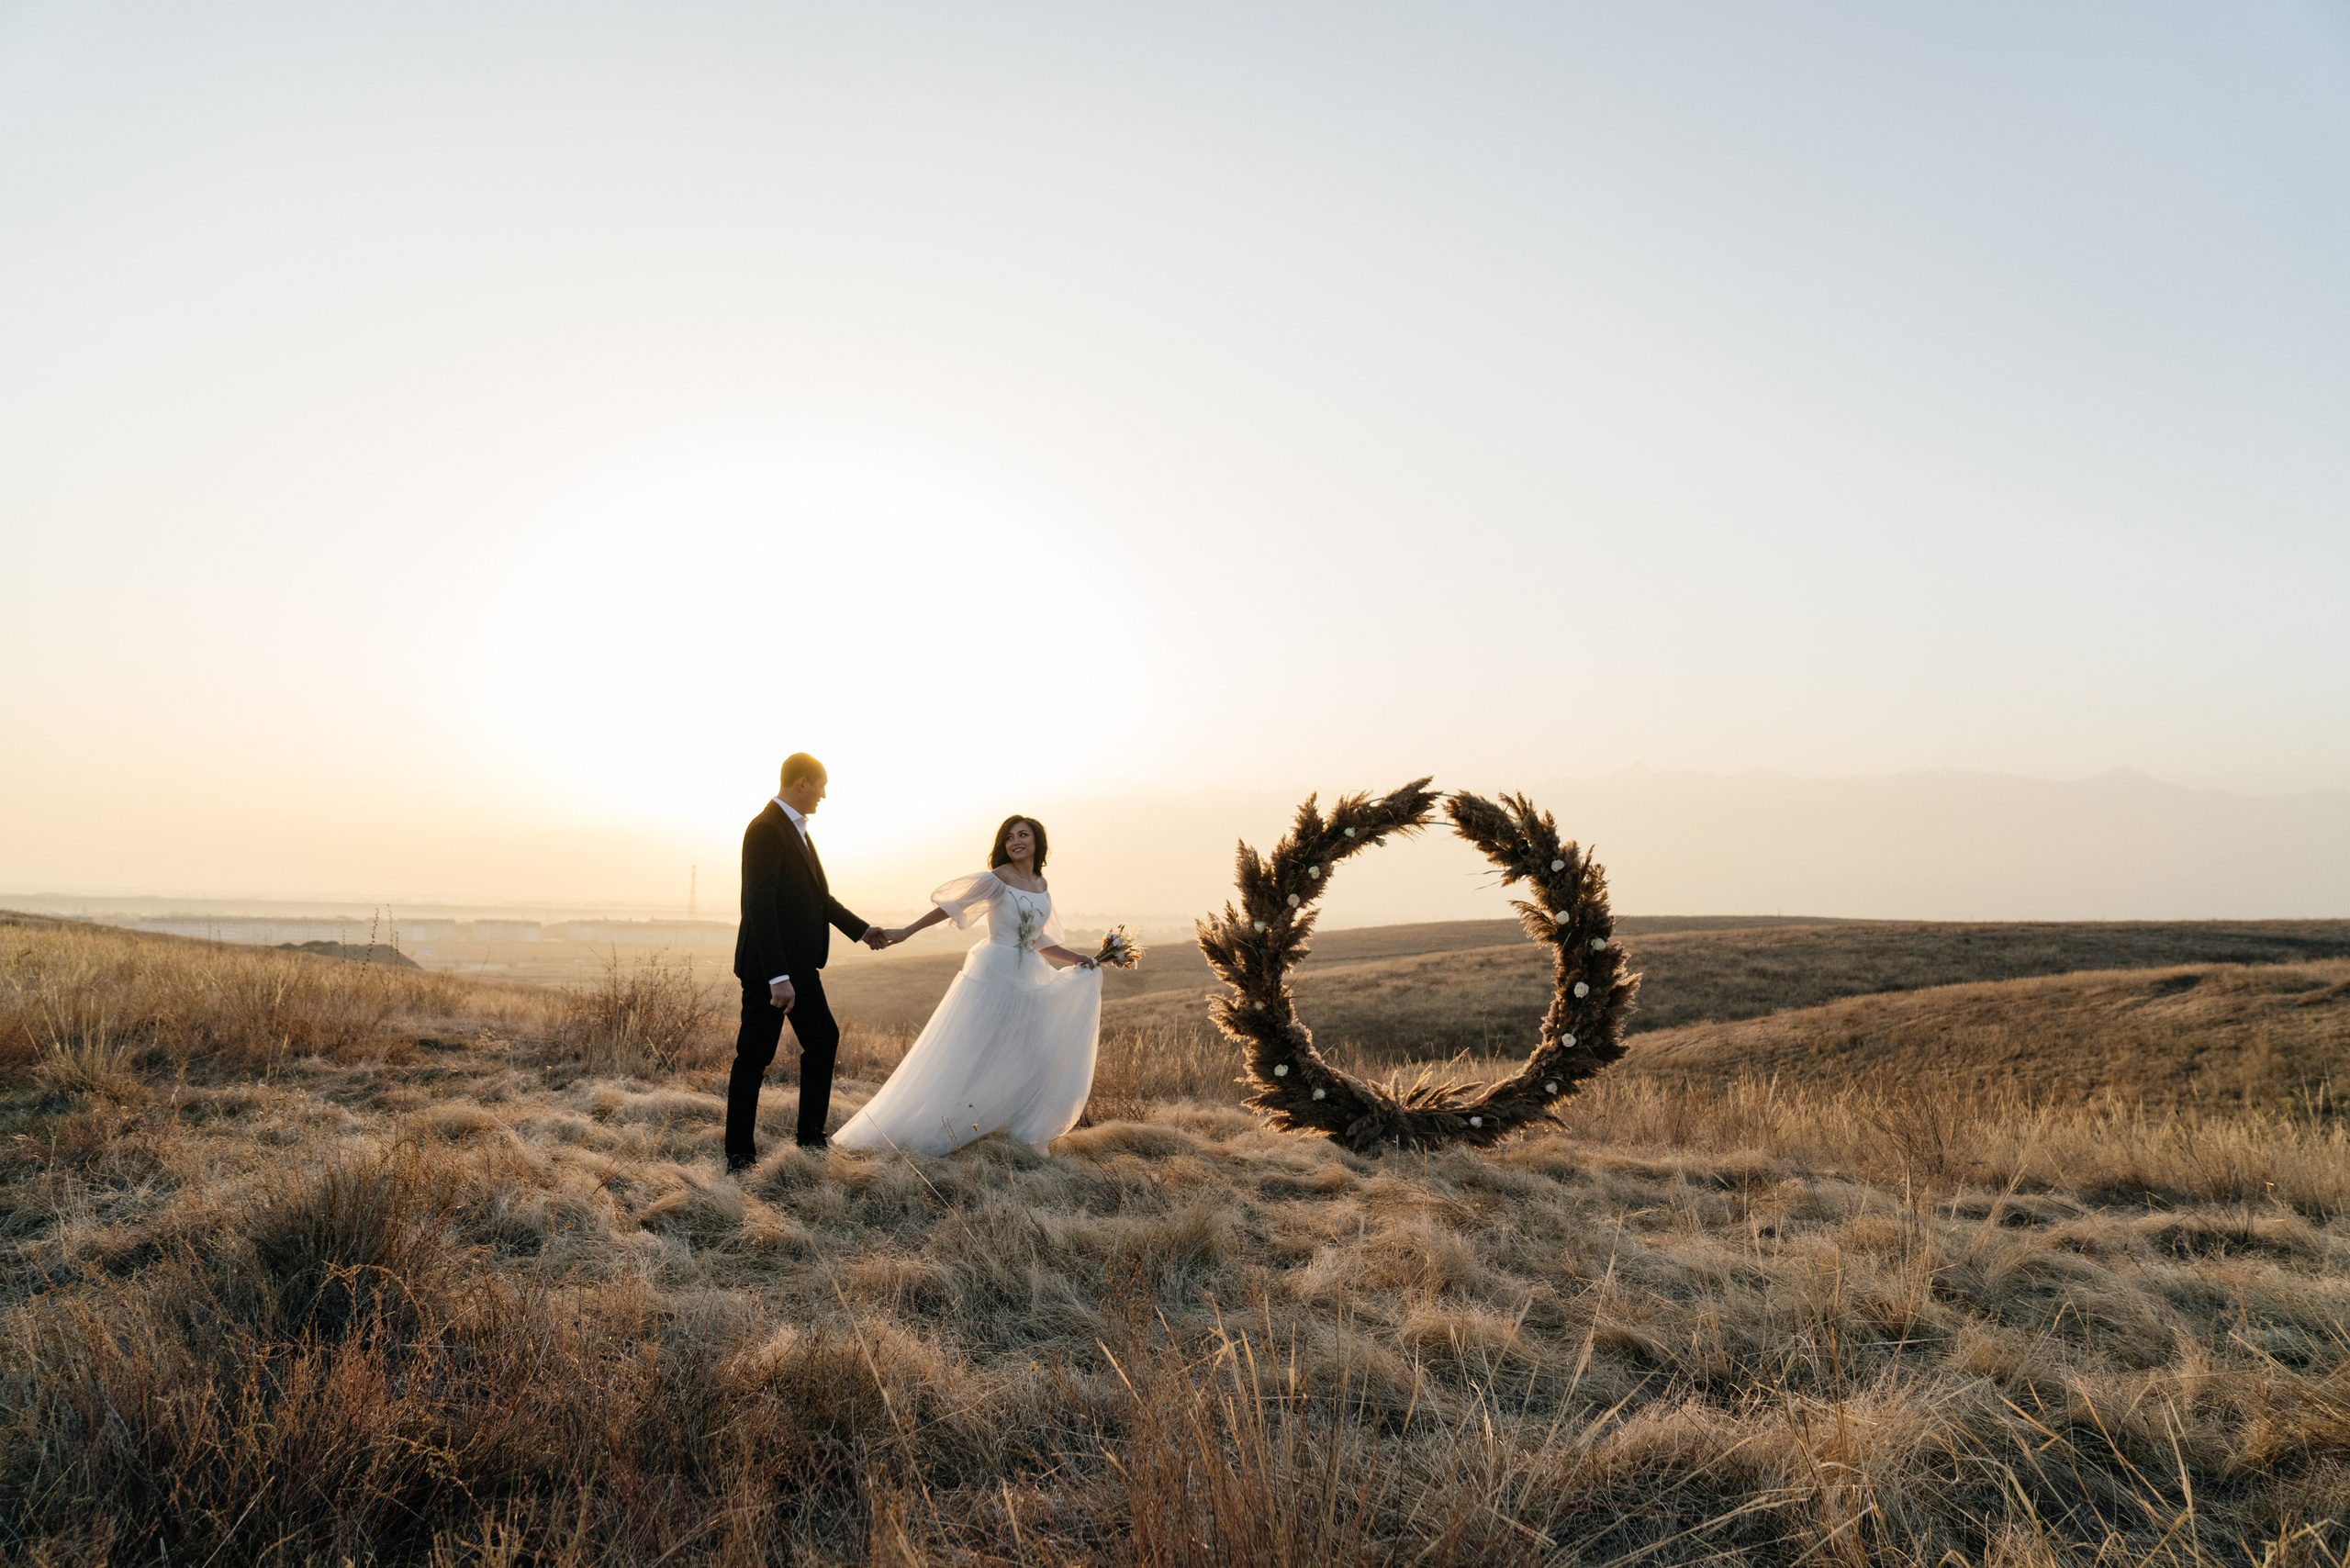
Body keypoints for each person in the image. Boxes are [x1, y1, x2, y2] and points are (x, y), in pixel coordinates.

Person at [834, 814, 1106, 1155]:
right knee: (976, 1053)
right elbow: (952, 907)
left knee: (1028, 1055)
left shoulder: (1041, 885)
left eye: (1023, 835)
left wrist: (1078, 957)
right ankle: (944, 1126)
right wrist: (906, 931)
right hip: (994, 973)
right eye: (1009, 837)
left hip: (1028, 977)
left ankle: (1015, 1129)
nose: (1016, 841)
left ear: (1038, 842)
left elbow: (1040, 942)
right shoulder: (998, 878)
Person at [727, 753, 888, 1170]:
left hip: (799, 967)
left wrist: (862, 929)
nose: (823, 795)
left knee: (823, 1040)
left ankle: (811, 1141)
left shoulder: (796, 830)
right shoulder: (765, 830)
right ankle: (739, 1157)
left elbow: (817, 898)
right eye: (820, 785)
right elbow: (759, 906)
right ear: (801, 782)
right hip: (772, 970)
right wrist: (778, 977)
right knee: (754, 1057)